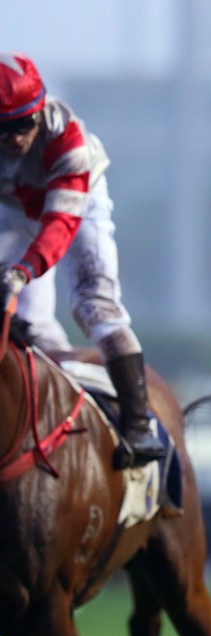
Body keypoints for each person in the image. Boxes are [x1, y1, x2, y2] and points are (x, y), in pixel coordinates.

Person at [0, 52, 165, 465]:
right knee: (30, 324)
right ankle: (45, 408)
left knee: (93, 304)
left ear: (41, 111)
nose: (16, 139)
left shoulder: (67, 138)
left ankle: (137, 423)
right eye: (3, 129)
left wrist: (23, 271)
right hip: (15, 211)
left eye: (24, 124)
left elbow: (60, 224)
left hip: (78, 204)